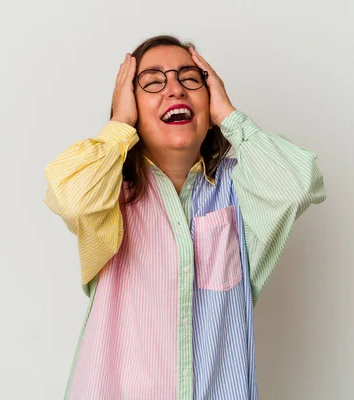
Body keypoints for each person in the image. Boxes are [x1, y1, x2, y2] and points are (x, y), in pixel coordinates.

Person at [44, 34, 327, 400]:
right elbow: (70, 198)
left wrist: (229, 116)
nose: (174, 89)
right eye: (152, 82)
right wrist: (120, 123)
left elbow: (297, 186)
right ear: (131, 104)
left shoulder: (239, 190)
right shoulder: (111, 194)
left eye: (191, 78)